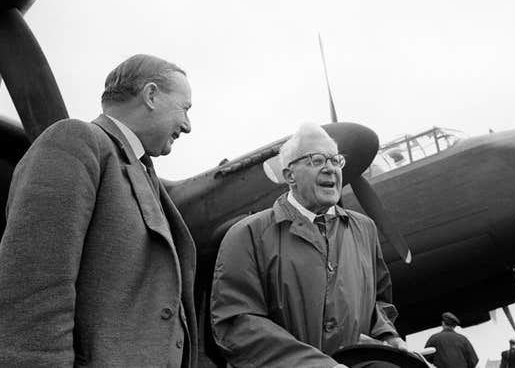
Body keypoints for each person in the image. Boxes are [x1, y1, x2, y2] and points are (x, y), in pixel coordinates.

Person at [0, 54, 197, 367]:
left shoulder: (143, 173)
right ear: (150, 95)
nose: (187, 126)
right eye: (185, 108)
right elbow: (34, 292)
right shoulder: (76, 140)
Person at [210, 123, 407, 368]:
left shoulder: (365, 229)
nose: (330, 169)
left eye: (336, 161)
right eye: (316, 160)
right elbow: (236, 323)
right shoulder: (246, 234)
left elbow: (378, 300)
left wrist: (388, 335)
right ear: (289, 175)